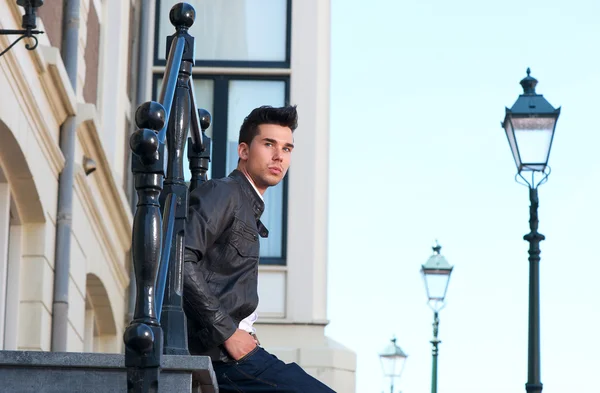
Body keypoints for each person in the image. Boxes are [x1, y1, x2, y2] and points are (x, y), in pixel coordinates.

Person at [183, 105, 336, 392]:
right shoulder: (224, 192)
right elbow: (182, 259)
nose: (279, 156)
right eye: (269, 144)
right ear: (243, 150)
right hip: (224, 358)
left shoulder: (248, 207)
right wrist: (227, 332)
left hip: (236, 354)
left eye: (287, 148)